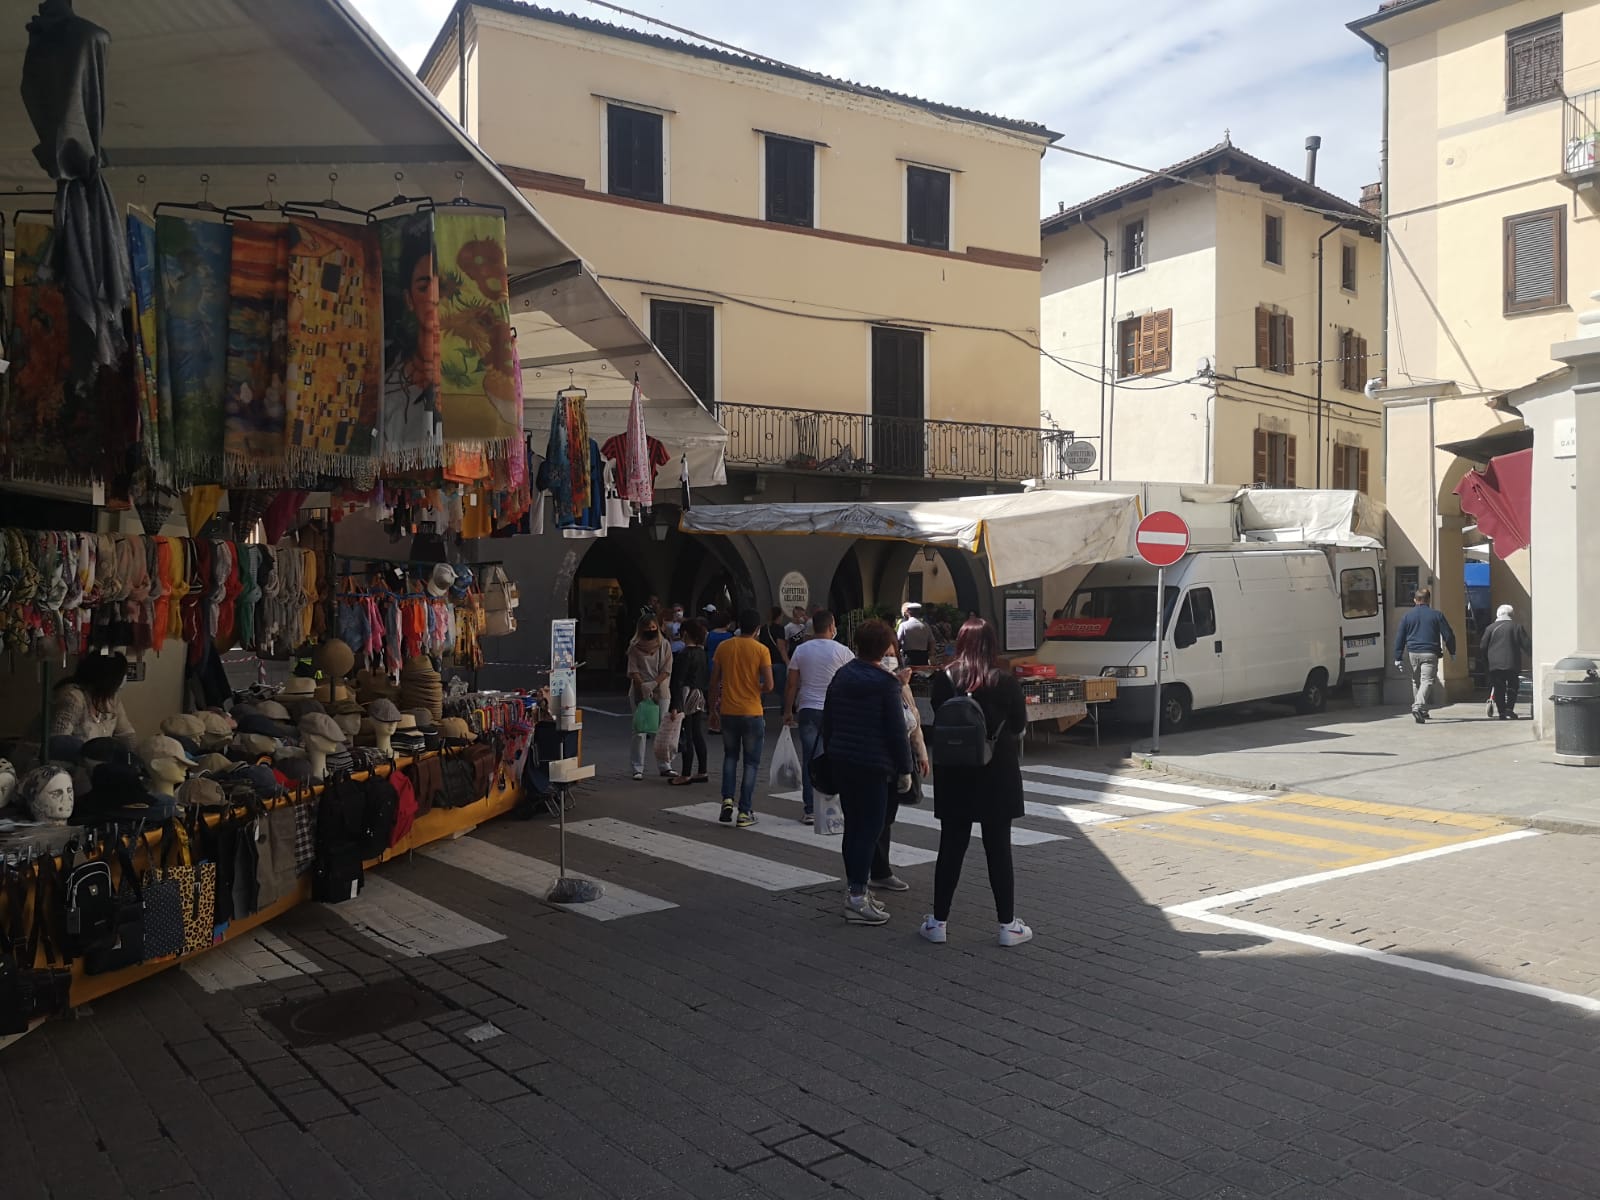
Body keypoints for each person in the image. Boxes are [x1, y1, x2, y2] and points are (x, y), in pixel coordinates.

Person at [921, 617, 1032, 948]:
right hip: (996, 775)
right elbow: (1018, 726)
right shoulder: (1005, 682)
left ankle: (938, 923)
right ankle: (1007, 926)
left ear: (961, 643)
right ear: (991, 644)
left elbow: (941, 718)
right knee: (998, 850)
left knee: (951, 849)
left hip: (955, 775)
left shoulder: (944, 680)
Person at [822, 620, 914, 925]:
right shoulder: (885, 683)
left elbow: (829, 721)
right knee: (869, 830)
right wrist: (905, 769)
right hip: (874, 766)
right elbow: (896, 731)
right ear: (882, 649)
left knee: (854, 830)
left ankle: (856, 889)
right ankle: (857, 898)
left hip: (844, 762)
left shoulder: (842, 675)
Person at [783, 610, 855, 824]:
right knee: (835, 758)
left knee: (811, 759)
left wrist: (788, 711)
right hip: (836, 711)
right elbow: (851, 683)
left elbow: (791, 684)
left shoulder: (801, 651)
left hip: (808, 709)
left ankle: (810, 809)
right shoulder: (844, 652)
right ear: (832, 626)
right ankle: (831, 806)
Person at [709, 609, 773, 827]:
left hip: (728, 711)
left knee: (730, 757)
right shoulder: (761, 650)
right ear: (757, 629)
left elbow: (714, 682)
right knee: (752, 763)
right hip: (753, 711)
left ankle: (727, 799)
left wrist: (712, 711)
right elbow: (770, 684)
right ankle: (744, 811)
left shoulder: (724, 647)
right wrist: (758, 687)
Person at [871, 660, 930, 894]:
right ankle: (863, 880)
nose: (889, 659)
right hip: (876, 762)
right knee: (872, 822)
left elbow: (913, 721)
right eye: (884, 653)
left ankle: (880, 871)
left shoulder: (902, 685)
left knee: (886, 819)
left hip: (896, 763)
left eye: (892, 653)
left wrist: (921, 753)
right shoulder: (871, 683)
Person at [1393, 587, 1457, 724]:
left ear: (1415, 600)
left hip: (1413, 653)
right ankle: (1418, 706)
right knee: (1427, 681)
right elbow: (1448, 635)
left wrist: (1397, 657)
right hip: (1429, 653)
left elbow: (1400, 637)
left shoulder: (1407, 616)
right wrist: (1452, 651)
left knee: (1416, 681)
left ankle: (1422, 710)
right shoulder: (1436, 615)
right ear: (1429, 600)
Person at [51, 654, 136, 747]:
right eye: (123, 675)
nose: (125, 679)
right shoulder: (73, 698)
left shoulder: (111, 700)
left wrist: (130, 758)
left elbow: (127, 736)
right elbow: (58, 742)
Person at [625, 615, 673, 780]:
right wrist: (643, 686)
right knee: (640, 730)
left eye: (653, 627)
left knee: (662, 730)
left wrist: (654, 684)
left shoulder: (664, 645)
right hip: (639, 691)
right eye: (647, 629)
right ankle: (637, 768)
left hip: (661, 691)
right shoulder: (634, 647)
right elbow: (633, 670)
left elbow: (667, 669)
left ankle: (665, 765)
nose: (651, 631)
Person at [668, 618, 711, 784]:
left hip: (686, 694)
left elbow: (677, 681)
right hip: (699, 694)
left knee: (687, 735)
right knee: (697, 733)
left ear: (685, 634)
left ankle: (685, 773)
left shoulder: (684, 654)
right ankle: (702, 770)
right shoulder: (702, 653)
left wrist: (675, 705)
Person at [1478, 603, 1531, 720]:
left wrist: (1485, 661)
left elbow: (1482, 646)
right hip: (1512, 663)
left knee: (1498, 687)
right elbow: (1527, 645)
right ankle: (1509, 709)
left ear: (1498, 614)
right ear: (1511, 614)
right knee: (1513, 686)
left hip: (1495, 664)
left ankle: (1501, 712)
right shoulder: (1517, 627)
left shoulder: (1490, 628)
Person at [758, 606, 791, 709]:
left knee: (762, 688)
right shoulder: (780, 629)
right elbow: (781, 647)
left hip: (765, 662)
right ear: (779, 616)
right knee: (782, 689)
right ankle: (785, 711)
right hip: (778, 662)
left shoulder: (763, 629)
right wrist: (787, 661)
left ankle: (759, 708)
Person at [897, 602, 933, 667]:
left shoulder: (903, 625)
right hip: (923, 657)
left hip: (909, 657)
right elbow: (932, 641)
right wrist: (931, 655)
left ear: (908, 612)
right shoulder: (926, 626)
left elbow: (898, 641)